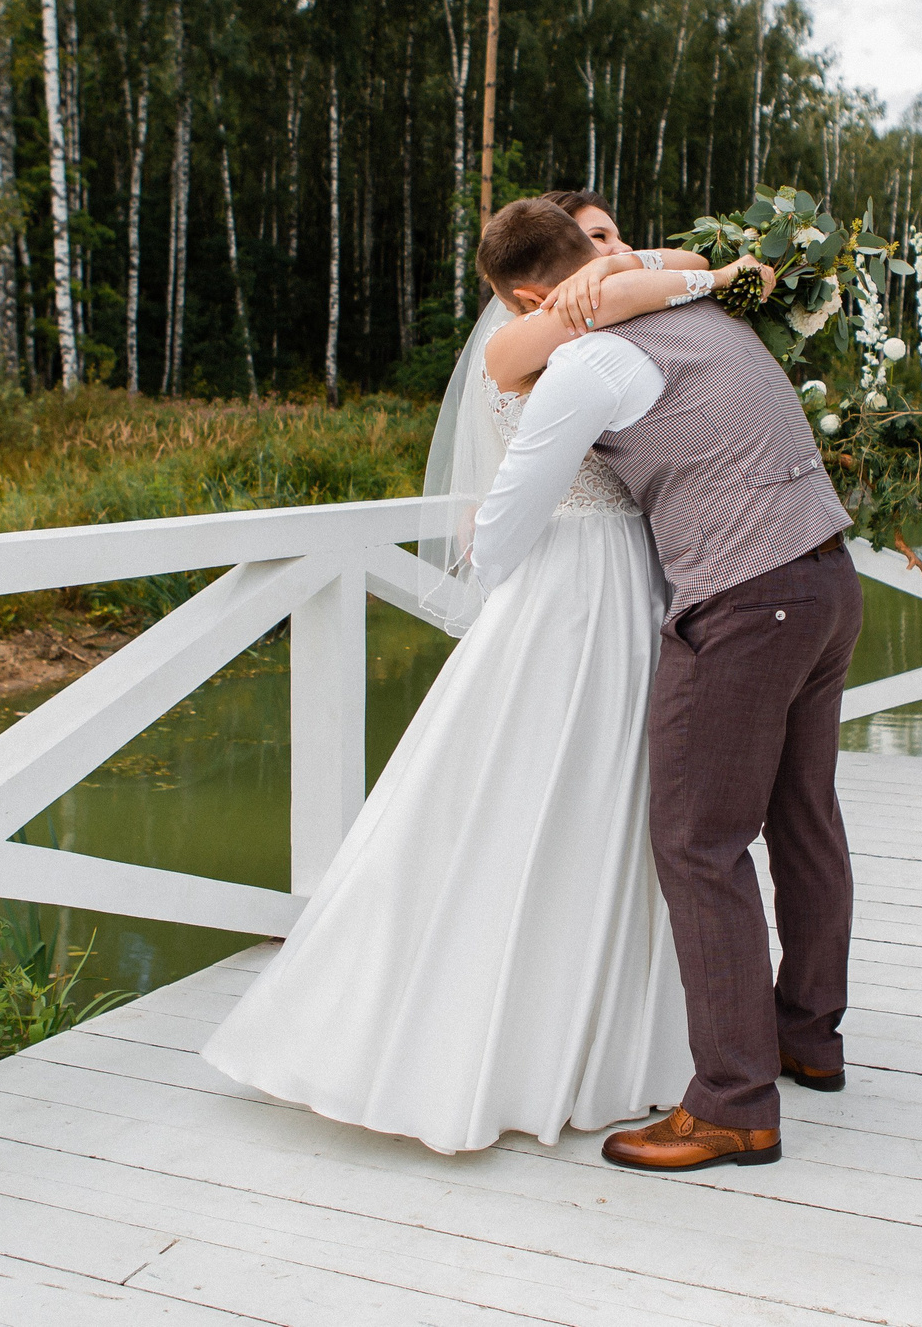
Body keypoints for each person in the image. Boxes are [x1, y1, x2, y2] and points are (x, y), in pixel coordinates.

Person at [199, 199, 769, 1156]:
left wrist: (673, 268)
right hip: (582, 583)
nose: (612, 263)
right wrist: (696, 279)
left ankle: (628, 1032)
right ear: (540, 291)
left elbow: (655, 272)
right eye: (593, 251)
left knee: (620, 798)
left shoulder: (594, 317)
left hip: (627, 577)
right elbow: (511, 511)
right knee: (555, 787)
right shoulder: (532, 344)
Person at [471, 206, 864, 1174]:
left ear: (534, 300)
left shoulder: (590, 364)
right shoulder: (706, 322)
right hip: (826, 578)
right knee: (802, 816)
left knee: (696, 842)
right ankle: (806, 1038)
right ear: (601, 263)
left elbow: (502, 532)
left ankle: (732, 1102)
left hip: (743, 603)